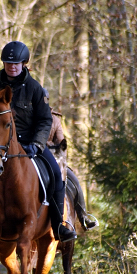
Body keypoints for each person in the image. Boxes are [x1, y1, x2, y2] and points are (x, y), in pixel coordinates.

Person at [0, 41, 77, 244]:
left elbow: (45, 120)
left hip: (30, 145)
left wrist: (37, 144)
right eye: (8, 63)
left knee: (55, 173)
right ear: (3, 64)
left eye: (16, 63)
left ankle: (59, 226)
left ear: (24, 63)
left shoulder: (35, 89)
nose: (12, 66)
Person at [44, 88, 98, 232]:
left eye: (44, 100)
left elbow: (60, 138)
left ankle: (83, 218)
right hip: (33, 154)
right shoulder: (29, 117)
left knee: (74, 179)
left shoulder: (55, 119)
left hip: (53, 154)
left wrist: (61, 145)